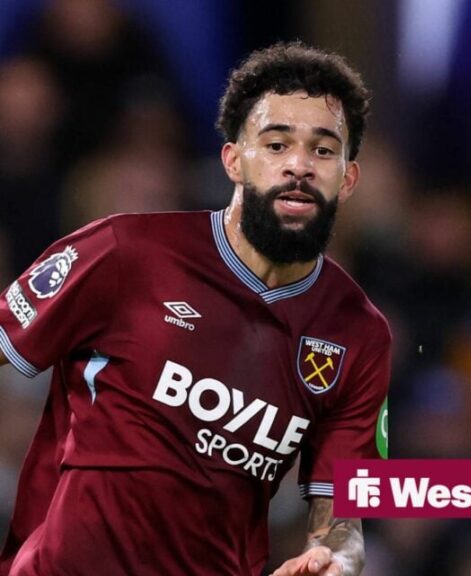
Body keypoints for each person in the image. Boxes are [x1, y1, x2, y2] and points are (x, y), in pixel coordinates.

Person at [0, 41, 390, 576]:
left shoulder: (360, 335)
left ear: (347, 179)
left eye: (323, 151)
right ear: (233, 160)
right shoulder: (123, 252)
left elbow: (343, 519)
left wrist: (336, 561)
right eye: (276, 144)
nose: (299, 165)